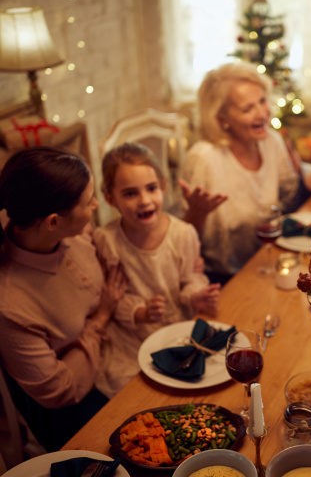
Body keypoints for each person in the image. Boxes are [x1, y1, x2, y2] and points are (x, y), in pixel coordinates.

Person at [180, 61, 311, 283]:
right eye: (248, 108)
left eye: (262, 101)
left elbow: (289, 204)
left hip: (267, 261)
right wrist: (197, 212)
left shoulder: (271, 141)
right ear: (223, 120)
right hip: (221, 278)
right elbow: (183, 241)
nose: (262, 113)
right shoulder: (203, 158)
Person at [0, 147, 125, 451]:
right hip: (76, 404)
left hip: (117, 346)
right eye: (88, 201)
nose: (96, 205)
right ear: (53, 222)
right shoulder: (11, 304)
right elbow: (59, 390)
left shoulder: (71, 231)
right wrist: (101, 318)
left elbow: (97, 241)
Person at [94, 142, 220, 397]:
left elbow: (191, 278)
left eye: (151, 189)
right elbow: (109, 295)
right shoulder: (106, 241)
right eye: (130, 193)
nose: (144, 201)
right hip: (133, 339)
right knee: (137, 394)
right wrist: (139, 312)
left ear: (163, 186)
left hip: (178, 331)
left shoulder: (183, 234)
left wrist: (195, 295)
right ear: (110, 198)